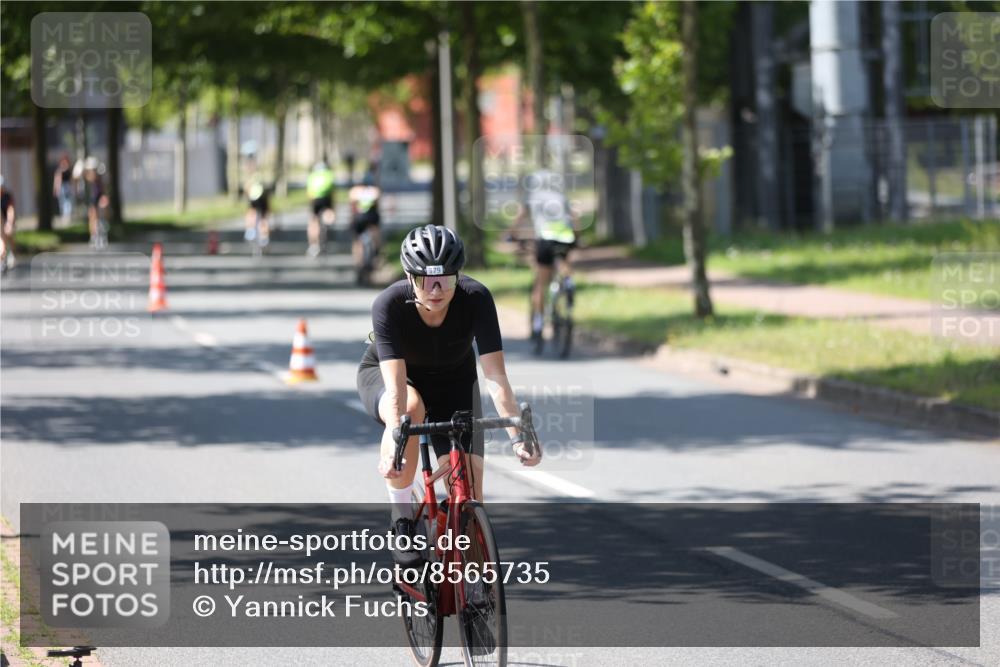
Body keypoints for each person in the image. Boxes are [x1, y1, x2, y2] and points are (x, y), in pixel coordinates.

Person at [355, 224, 542, 561]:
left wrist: (517, 437)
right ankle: (401, 522)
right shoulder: (389, 305)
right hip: (393, 380)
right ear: (410, 277)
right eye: (426, 280)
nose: (437, 290)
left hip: (454, 381)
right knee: (412, 408)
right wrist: (394, 444)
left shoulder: (476, 298)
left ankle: (471, 591)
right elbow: (397, 393)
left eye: (447, 279)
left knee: (469, 496)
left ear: (459, 276)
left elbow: (496, 377)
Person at [520, 168, 579, 340]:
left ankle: (538, 322)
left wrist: (510, 234)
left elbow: (520, 217)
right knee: (563, 262)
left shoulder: (533, 197)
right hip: (565, 237)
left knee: (540, 282)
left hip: (545, 239)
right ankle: (568, 282)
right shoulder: (561, 197)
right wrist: (577, 236)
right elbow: (574, 217)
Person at [348, 170, 381, 273]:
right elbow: (377, 206)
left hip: (358, 219)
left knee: (357, 241)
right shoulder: (375, 190)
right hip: (371, 218)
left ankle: (358, 261)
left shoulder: (354, 191)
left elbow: (352, 208)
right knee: (376, 231)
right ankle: (377, 251)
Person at [305, 160, 336, 257]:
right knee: (328, 215)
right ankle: (326, 226)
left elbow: (309, 193)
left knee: (313, 221)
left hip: (315, 200)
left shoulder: (312, 176)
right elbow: (333, 192)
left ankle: (313, 245)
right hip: (327, 199)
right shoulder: (329, 175)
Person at [82, 157, 109, 249]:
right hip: (93, 198)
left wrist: (105, 197)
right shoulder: (91, 176)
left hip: (99, 197)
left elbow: (104, 188)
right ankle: (94, 237)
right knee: (92, 218)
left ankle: (101, 237)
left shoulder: (98, 176)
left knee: (100, 219)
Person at [244, 169, 270, 250]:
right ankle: (263, 237)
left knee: (252, 213)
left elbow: (247, 190)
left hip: (255, 198)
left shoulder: (251, 181)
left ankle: (251, 232)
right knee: (262, 218)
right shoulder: (260, 182)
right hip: (261, 199)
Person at [0, 176, 16, 274]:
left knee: (9, 235)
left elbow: (11, 210)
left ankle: (11, 253)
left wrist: (9, 223)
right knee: (2, 241)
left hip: (6, 219)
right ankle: (2, 260)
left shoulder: (7, 196)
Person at [53, 154, 74, 225]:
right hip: (62, 187)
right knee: (62, 202)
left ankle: (67, 216)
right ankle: (64, 216)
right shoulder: (60, 170)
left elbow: (71, 179)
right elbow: (57, 180)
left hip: (67, 187)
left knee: (68, 202)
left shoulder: (69, 169)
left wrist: (73, 187)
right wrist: (56, 189)